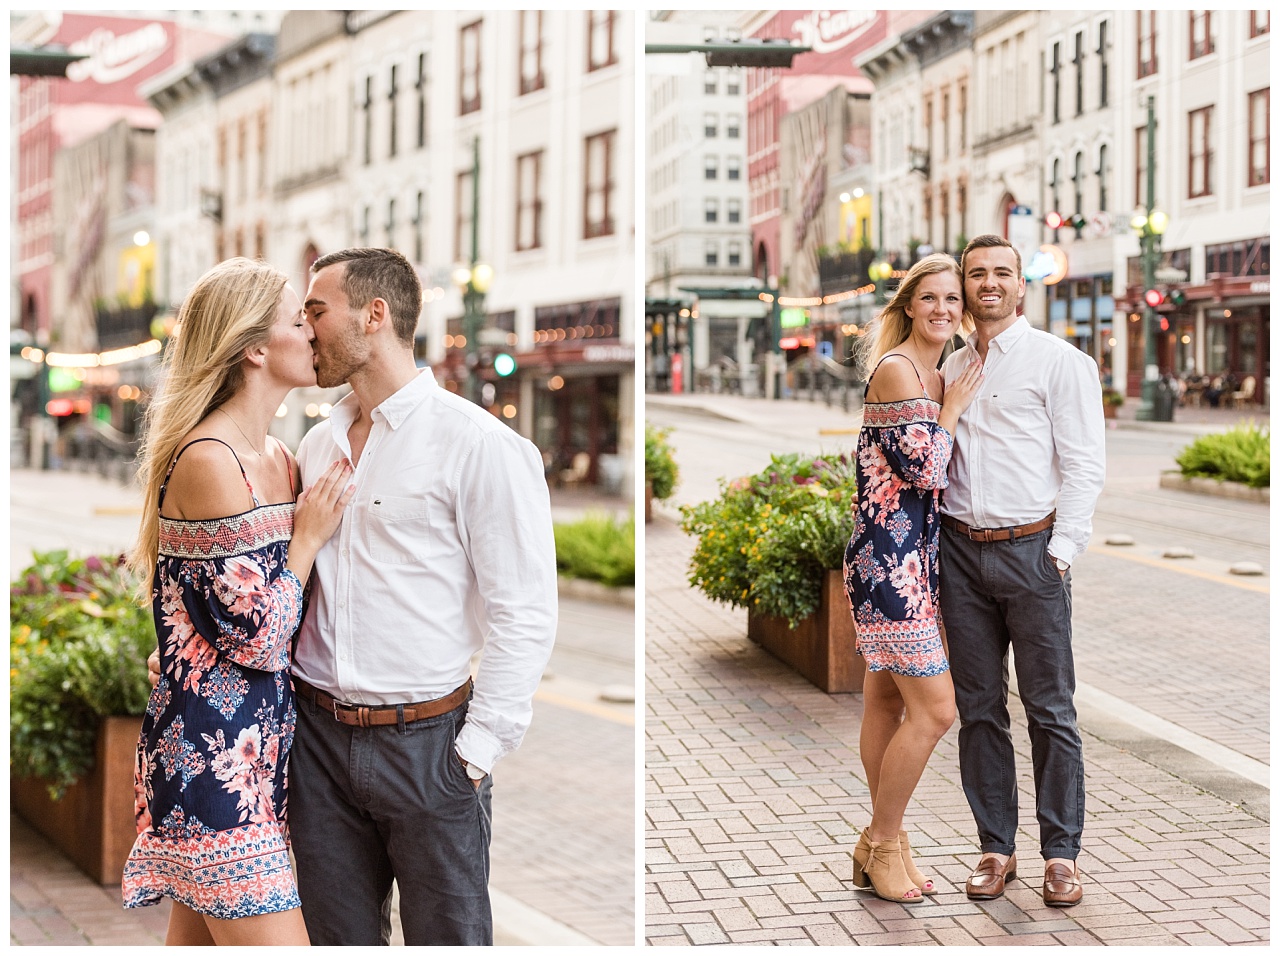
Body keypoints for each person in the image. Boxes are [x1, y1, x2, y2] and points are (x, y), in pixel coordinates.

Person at [287, 247, 558, 945]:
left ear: (374, 315)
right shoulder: (316, 447)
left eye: (316, 310)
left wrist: (475, 753)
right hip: (317, 745)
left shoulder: (478, 445)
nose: (304, 327)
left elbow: (523, 612)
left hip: (431, 749)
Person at [122, 258, 355, 945]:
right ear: (255, 347)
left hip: (262, 757)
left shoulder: (280, 458)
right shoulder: (209, 460)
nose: (311, 336)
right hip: (210, 762)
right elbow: (255, 637)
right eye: (296, 321)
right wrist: (307, 540)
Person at [938, 234, 1105, 907]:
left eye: (1000, 273)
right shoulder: (948, 367)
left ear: (1020, 285)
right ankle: (994, 847)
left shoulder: (1059, 364)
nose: (987, 284)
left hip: (1032, 552)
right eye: (976, 274)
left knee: (1050, 710)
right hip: (960, 554)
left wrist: (1060, 553)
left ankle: (1061, 854)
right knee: (979, 710)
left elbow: (1085, 464)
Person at [844, 254, 983, 903]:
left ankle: (885, 845)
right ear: (908, 305)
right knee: (935, 711)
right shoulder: (901, 370)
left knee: (885, 702)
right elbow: (926, 471)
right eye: (930, 298)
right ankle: (882, 839)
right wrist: (951, 408)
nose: (943, 310)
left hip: (911, 562)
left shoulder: (933, 367)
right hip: (888, 564)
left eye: (952, 299)